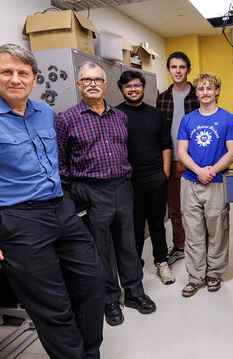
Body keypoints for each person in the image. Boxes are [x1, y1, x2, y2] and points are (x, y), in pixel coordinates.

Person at [0, 44, 106, 358]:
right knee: (53, 305)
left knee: (93, 283)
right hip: (16, 220)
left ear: (35, 79)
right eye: (7, 72)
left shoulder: (44, 111)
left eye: (23, 73)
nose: (15, 79)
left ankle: (89, 354)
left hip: (60, 210)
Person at [56, 61, 156, 327]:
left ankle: (135, 293)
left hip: (122, 187)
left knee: (128, 244)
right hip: (90, 191)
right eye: (87, 80)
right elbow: (61, 162)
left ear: (105, 84)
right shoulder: (66, 119)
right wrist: (75, 189)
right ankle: (110, 299)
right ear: (79, 85)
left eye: (97, 80)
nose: (92, 84)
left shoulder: (119, 116)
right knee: (100, 250)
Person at [177, 73, 233, 297]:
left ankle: (214, 273)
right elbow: (181, 151)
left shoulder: (228, 119)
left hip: (216, 183)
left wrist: (211, 171)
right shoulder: (188, 120)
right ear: (196, 93)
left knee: (217, 231)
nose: (205, 92)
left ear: (217, 91)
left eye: (209, 88)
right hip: (191, 183)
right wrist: (198, 171)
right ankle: (196, 277)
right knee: (193, 232)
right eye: (201, 89)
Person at [115, 70, 175, 285]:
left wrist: (165, 174)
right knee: (134, 226)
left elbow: (166, 144)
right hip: (130, 181)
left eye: (137, 85)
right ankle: (134, 267)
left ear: (143, 87)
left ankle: (162, 263)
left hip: (156, 177)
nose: (133, 89)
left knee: (157, 224)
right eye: (128, 86)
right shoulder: (116, 115)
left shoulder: (156, 114)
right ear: (122, 89)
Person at [156, 52, 200, 265]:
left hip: (194, 161)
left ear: (188, 70)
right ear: (168, 70)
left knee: (196, 208)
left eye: (182, 67)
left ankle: (198, 246)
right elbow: (160, 131)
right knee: (174, 208)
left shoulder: (198, 95)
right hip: (170, 161)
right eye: (174, 67)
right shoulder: (162, 98)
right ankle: (180, 246)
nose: (178, 71)